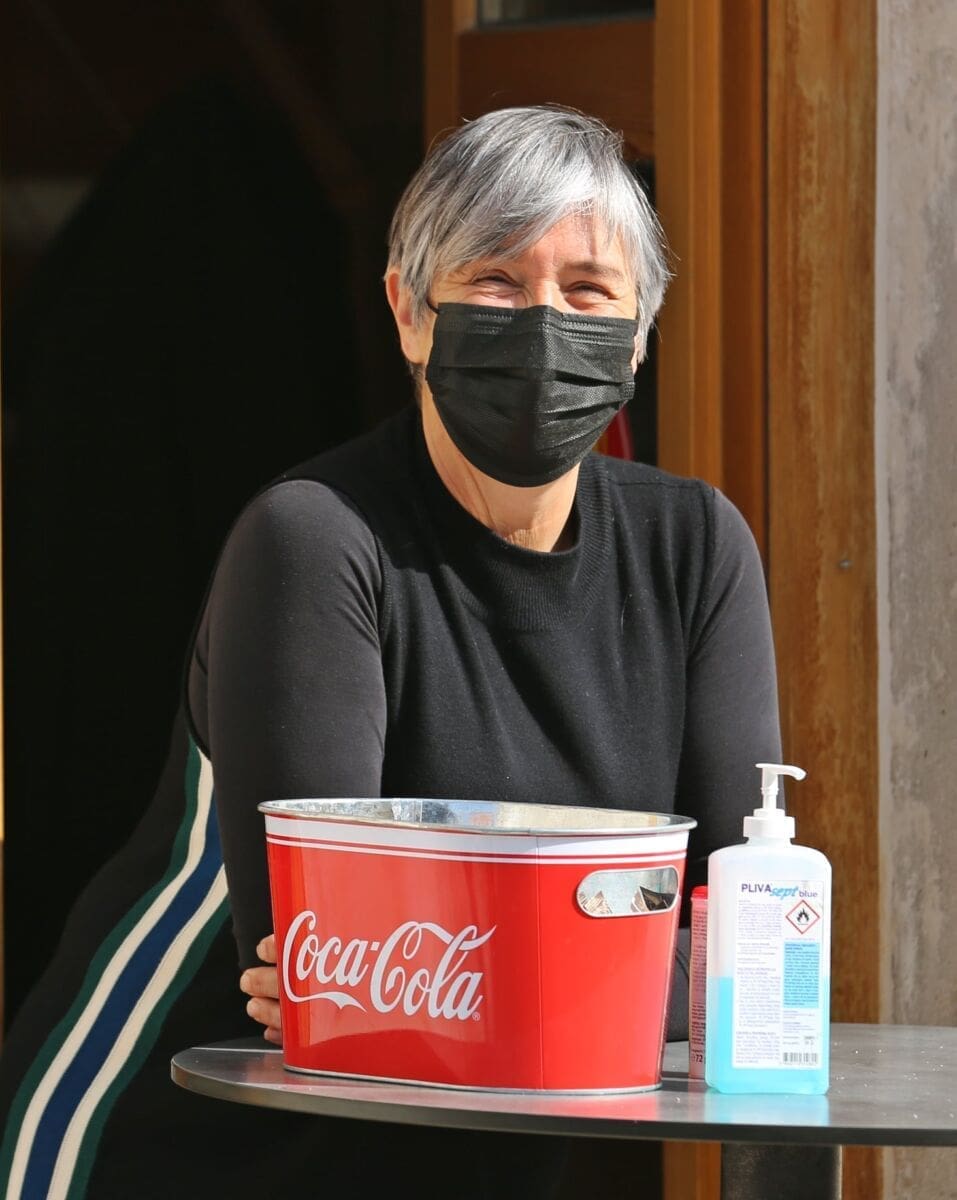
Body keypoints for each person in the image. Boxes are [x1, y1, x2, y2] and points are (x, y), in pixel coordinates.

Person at [0, 105, 781, 1199]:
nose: (543, 324)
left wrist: (456, 970)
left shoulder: (693, 548)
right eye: (494, 281)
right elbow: (330, 978)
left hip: (475, 1148)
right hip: (186, 1134)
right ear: (410, 313)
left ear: (640, 332)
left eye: (588, 291)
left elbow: (746, 951)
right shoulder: (316, 539)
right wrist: (615, 966)